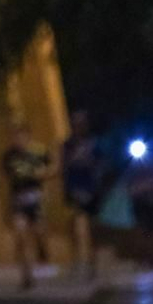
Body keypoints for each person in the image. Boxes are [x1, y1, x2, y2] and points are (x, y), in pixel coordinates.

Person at [1, 123, 53, 290]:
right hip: (18, 201)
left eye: (22, 136)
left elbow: (52, 167)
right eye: (15, 137)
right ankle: (26, 276)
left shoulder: (38, 152)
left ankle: (42, 250)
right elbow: (5, 178)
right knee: (20, 236)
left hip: (35, 200)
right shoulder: (8, 156)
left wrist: (43, 174)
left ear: (28, 137)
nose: (18, 140)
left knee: (39, 232)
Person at [60, 111, 103, 279]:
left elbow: (101, 165)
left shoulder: (93, 144)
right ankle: (77, 260)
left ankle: (92, 262)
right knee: (75, 225)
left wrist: (97, 186)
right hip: (74, 189)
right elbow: (64, 167)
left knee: (92, 227)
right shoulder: (67, 145)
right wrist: (67, 190)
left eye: (81, 124)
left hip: (90, 190)